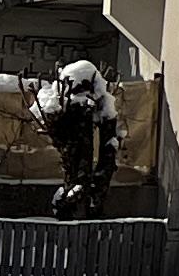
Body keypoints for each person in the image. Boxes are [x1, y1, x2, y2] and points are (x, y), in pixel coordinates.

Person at [33, 59, 122, 220]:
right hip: (77, 178)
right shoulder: (70, 110)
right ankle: (79, 199)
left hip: (82, 180)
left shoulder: (91, 110)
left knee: (89, 175)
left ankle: (85, 198)